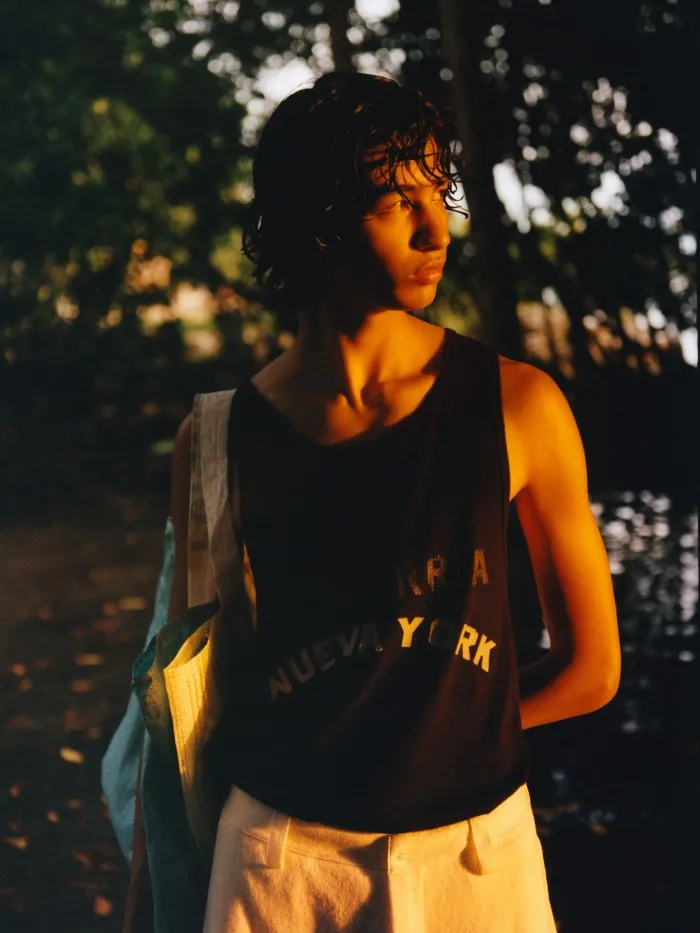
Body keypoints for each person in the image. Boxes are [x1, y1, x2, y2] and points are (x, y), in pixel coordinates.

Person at [127, 71, 621, 932]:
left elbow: (592, 669)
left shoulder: (519, 405)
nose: (437, 228)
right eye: (397, 200)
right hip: (280, 867)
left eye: (439, 193)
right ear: (316, 219)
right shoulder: (212, 440)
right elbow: (189, 710)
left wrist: (437, 727)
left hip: (477, 861)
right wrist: (146, 903)